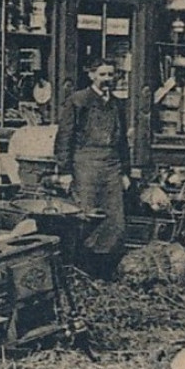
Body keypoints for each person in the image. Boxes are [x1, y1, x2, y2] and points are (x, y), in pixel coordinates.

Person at [54, 56, 131, 273]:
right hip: (85, 164)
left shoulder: (116, 103)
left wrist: (125, 171)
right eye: (103, 74)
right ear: (91, 75)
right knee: (86, 215)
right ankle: (81, 269)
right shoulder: (78, 100)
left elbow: (122, 140)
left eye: (111, 74)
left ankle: (105, 271)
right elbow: (64, 137)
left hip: (112, 166)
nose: (107, 79)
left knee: (113, 218)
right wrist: (65, 171)